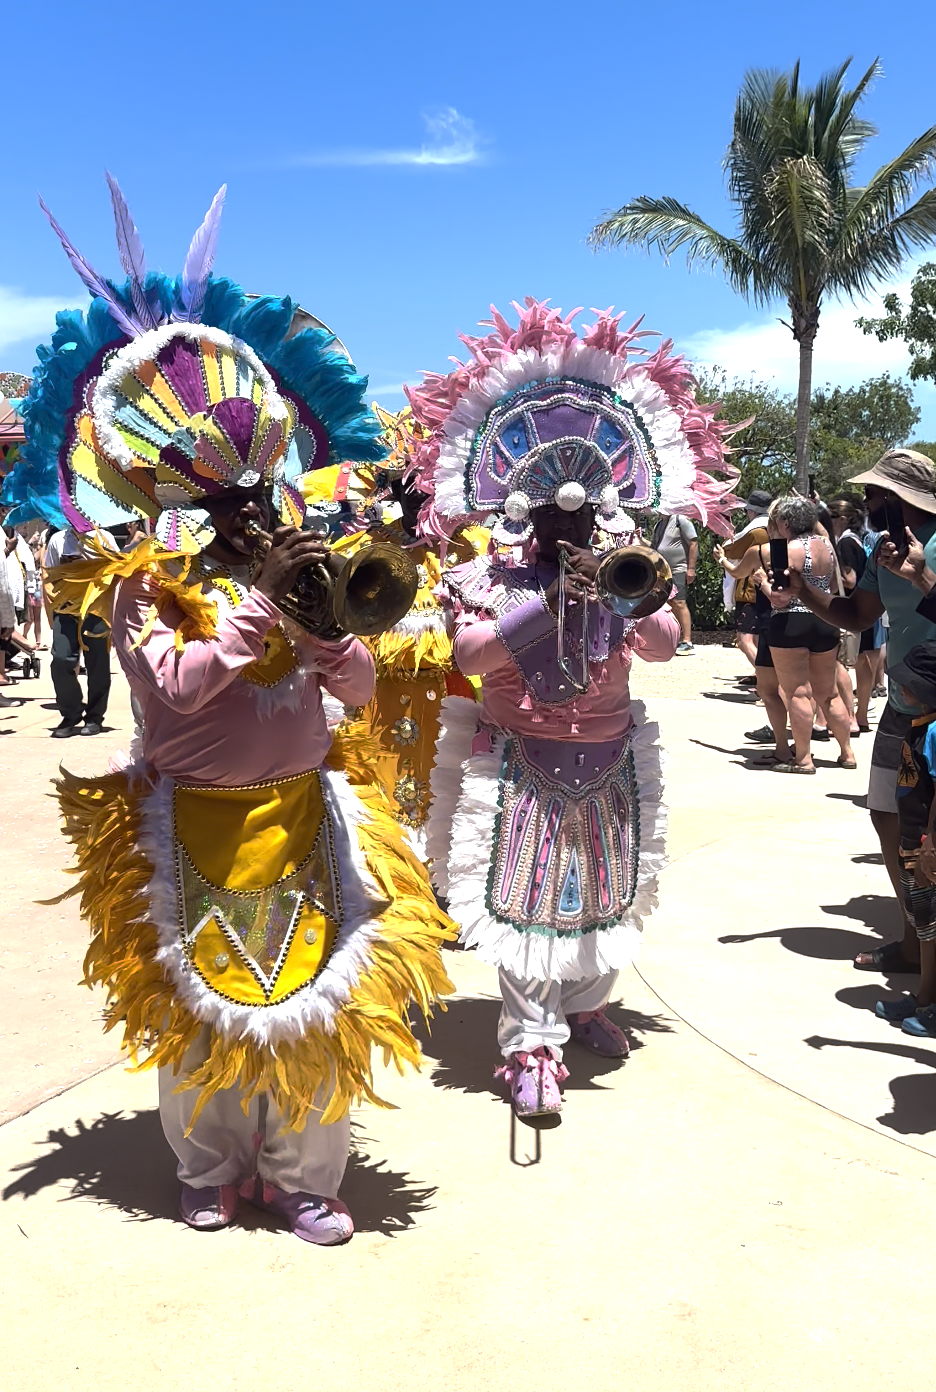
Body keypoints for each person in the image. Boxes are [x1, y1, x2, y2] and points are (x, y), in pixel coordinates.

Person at [2, 179, 454, 1242]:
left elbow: (357, 692)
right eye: (231, 504)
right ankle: (207, 1167)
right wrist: (261, 604)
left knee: (320, 1003)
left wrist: (324, 625)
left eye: (261, 499)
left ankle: (305, 1176)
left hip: (305, 811)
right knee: (198, 1013)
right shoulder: (137, 582)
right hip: (190, 819)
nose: (255, 515)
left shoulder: (303, 575)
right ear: (187, 498)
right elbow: (176, 691)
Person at [407, 298, 738, 1118]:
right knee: (521, 900)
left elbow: (662, 646)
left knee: (605, 890)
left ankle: (587, 1003)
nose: (568, 518)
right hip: (519, 755)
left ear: (605, 504)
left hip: (611, 751)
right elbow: (471, 658)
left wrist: (619, 588)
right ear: (521, 506)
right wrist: (545, 596)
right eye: (554, 510)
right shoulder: (490, 576)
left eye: (582, 508)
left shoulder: (627, 564)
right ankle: (530, 1048)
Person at [776, 449, 936, 973]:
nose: (865, 503)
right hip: (901, 705)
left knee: (930, 835)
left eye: (874, 495)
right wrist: (803, 590)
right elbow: (855, 614)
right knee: (885, 813)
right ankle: (915, 940)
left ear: (900, 500)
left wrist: (922, 577)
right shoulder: (881, 552)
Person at [724, 497, 854, 773]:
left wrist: (760, 583)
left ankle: (803, 759)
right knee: (828, 694)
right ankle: (847, 753)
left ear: (784, 523)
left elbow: (779, 599)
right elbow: (831, 585)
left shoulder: (778, 551)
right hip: (825, 620)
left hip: (790, 623)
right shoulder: (827, 547)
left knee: (797, 693)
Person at [874, 641, 936, 1035]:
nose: (901, 691)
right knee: (924, 926)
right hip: (913, 847)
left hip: (928, 850)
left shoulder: (934, 733)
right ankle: (925, 997)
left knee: (932, 929)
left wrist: (931, 846)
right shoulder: (918, 727)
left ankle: (930, 1002)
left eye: (909, 685)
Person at [43, 524, 115, 737]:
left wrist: (92, 562)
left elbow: (117, 571)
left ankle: (94, 717)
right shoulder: (58, 540)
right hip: (66, 609)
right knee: (61, 659)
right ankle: (71, 712)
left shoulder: (105, 537)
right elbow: (49, 575)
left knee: (98, 664)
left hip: (96, 609)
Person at [827, 494, 884, 732]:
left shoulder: (845, 543)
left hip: (851, 608)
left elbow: (849, 580)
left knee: (840, 663)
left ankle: (849, 716)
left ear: (841, 519)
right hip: (868, 605)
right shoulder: (860, 540)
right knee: (863, 661)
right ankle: (861, 715)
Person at [721, 490, 772, 676]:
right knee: (759, 639)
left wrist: (725, 534)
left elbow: (730, 550)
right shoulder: (775, 527)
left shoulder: (756, 531)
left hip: (751, 588)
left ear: (752, 511)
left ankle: (766, 678)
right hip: (771, 587)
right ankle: (760, 675)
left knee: (744, 639)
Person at [650, 512, 698, 653]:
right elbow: (655, 546)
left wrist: (691, 569)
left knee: (679, 602)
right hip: (663, 571)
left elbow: (693, 543)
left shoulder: (680, 520)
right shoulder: (658, 524)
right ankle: (674, 638)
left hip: (678, 568)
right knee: (668, 604)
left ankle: (687, 641)